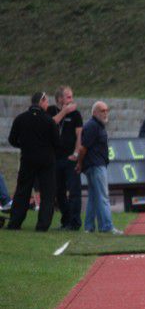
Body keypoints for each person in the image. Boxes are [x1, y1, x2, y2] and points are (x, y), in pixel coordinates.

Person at [7, 92, 60, 231]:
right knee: (47, 193)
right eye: (46, 101)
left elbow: (12, 140)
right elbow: (57, 143)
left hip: (27, 160)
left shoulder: (20, 119)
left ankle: (15, 222)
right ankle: (42, 225)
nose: (48, 104)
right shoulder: (49, 121)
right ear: (41, 101)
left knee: (22, 191)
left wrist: (24, 146)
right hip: (46, 161)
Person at [76, 101, 123, 234]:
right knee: (103, 196)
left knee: (93, 197)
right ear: (95, 112)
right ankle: (106, 227)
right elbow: (83, 148)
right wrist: (80, 163)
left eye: (107, 110)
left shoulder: (98, 126)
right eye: (102, 110)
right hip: (96, 166)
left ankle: (89, 227)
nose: (105, 112)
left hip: (95, 165)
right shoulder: (92, 126)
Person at [47, 85, 83, 230]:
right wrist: (64, 111)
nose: (71, 100)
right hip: (55, 158)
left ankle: (75, 223)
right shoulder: (50, 111)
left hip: (70, 159)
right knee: (58, 191)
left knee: (74, 191)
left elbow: (80, 135)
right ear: (60, 99)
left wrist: (76, 154)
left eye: (72, 96)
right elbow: (50, 124)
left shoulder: (76, 115)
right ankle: (66, 220)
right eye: (68, 97)